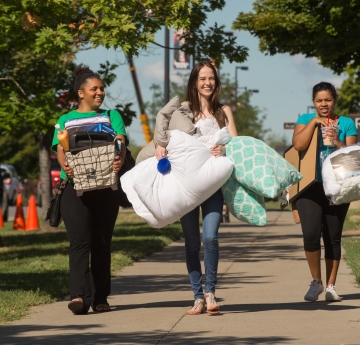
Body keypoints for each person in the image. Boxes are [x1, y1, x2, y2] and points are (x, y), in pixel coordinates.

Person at [155, 60, 237, 315]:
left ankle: (211, 291)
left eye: (211, 78)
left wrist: (225, 148)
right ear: (194, 82)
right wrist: (160, 145)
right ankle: (197, 297)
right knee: (191, 242)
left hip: (212, 184)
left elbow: (237, 143)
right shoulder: (182, 110)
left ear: (216, 81)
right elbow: (166, 133)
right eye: (202, 78)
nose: (207, 83)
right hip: (186, 185)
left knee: (210, 237)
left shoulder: (224, 111)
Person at [51, 65, 127, 314]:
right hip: (74, 188)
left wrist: (119, 158)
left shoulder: (111, 116)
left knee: (102, 242)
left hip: (106, 186)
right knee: (79, 242)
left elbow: (120, 143)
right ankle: (79, 297)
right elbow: (61, 150)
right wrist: (66, 166)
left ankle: (101, 298)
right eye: (94, 88)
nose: (100, 92)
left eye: (102, 88)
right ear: (80, 93)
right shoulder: (65, 120)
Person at [292, 81, 357, 302]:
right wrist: (314, 124)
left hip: (338, 187)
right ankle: (316, 282)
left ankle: (331, 286)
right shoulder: (304, 120)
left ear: (334, 100)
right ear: (313, 103)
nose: (324, 104)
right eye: (319, 100)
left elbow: (352, 155)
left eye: (328, 100)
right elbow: (298, 146)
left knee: (333, 236)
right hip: (309, 186)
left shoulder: (346, 122)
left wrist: (337, 140)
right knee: (310, 234)